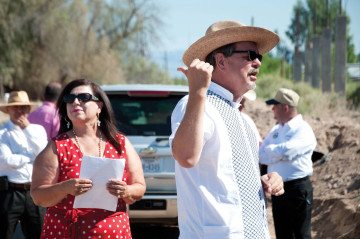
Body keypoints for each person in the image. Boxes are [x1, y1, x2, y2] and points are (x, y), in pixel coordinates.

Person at [169, 20, 285, 239]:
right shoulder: (195, 104)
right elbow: (185, 157)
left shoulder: (245, 121)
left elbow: (227, 179)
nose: (258, 62)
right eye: (250, 55)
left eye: (259, 56)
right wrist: (197, 92)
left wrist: (262, 182)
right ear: (221, 61)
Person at [30, 79, 146, 239]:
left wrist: (126, 190)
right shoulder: (57, 146)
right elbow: (38, 196)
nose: (75, 102)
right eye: (69, 99)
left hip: (115, 232)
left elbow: (139, 187)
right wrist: (65, 188)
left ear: (99, 106)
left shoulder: (120, 143)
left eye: (83, 97)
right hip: (65, 233)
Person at [259, 88, 317, 239]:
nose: (272, 109)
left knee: (300, 234)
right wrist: (276, 153)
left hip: (297, 189)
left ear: (285, 107)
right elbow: (261, 154)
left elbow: (287, 151)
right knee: (283, 234)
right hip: (278, 190)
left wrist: (273, 152)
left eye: (275, 105)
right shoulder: (276, 130)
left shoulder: (303, 129)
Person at [0, 90, 48, 239]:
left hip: (34, 191)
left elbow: (44, 155)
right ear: (8, 110)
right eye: (15, 107)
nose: (20, 111)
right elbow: (6, 160)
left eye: (23, 107)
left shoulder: (38, 130)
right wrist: (31, 156)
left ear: (28, 110)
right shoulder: (2, 133)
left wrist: (27, 129)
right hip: (10, 192)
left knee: (39, 234)